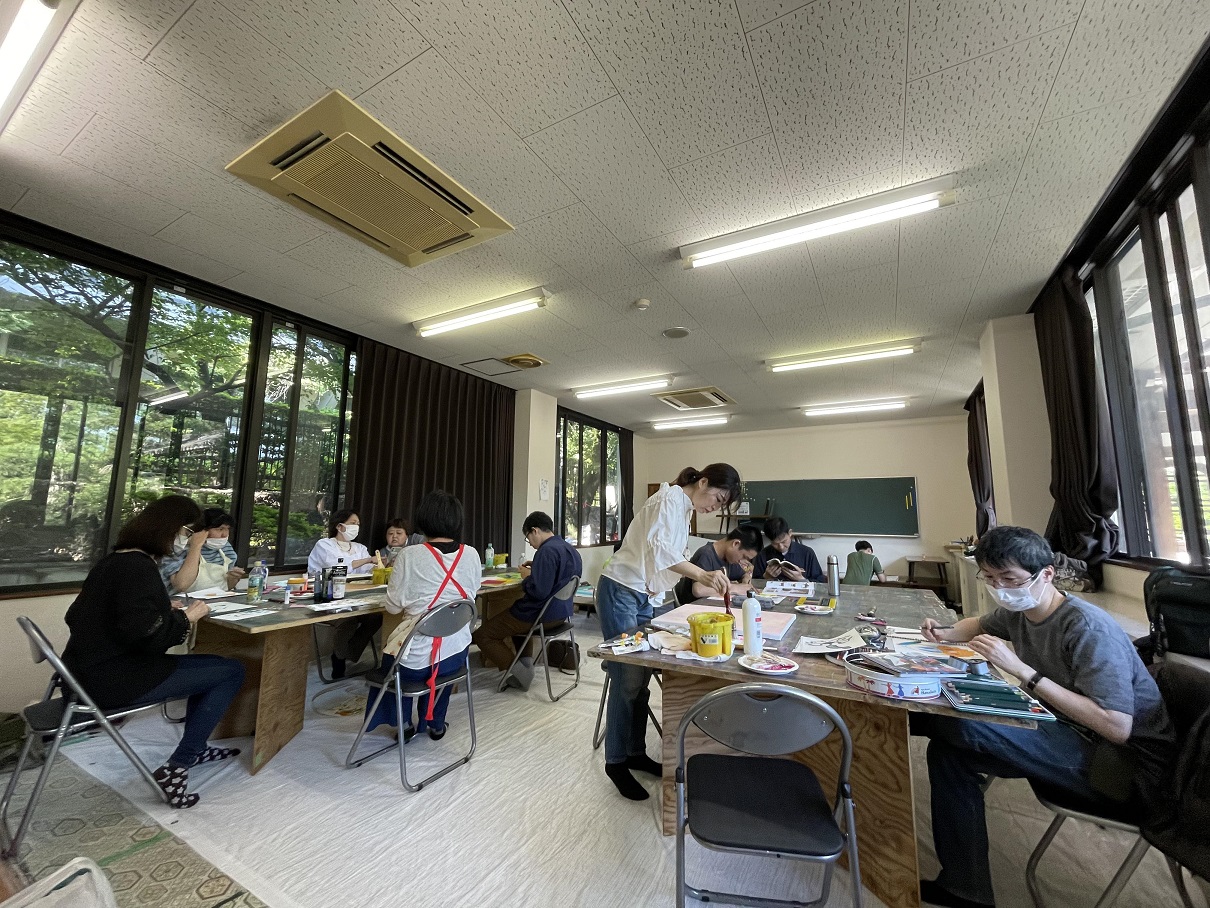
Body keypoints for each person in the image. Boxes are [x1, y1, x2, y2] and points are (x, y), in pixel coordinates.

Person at [911, 526, 1175, 908]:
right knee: (947, 753)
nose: (1001, 588)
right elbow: (983, 625)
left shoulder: (1086, 627)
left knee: (959, 720)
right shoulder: (1022, 609)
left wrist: (1023, 672)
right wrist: (947, 633)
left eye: (1010, 579)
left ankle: (897, 724)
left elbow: (1117, 726)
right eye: (991, 578)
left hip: (1123, 767)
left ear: (1046, 574)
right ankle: (965, 889)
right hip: (1072, 732)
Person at [61, 495, 245, 809]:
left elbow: (84, 616)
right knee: (231, 671)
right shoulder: (138, 567)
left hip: (81, 674)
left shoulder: (116, 560)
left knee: (216, 665)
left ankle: (195, 747)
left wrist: (163, 608)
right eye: (187, 532)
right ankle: (180, 764)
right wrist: (185, 616)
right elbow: (148, 637)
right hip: (112, 678)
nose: (186, 539)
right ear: (170, 529)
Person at [597, 464, 741, 801]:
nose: (714, 507)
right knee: (626, 678)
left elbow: (665, 559)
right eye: (717, 498)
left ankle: (634, 752)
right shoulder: (668, 500)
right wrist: (702, 575)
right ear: (703, 482)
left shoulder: (683, 509)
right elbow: (661, 551)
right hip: (621, 590)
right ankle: (615, 761)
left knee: (641, 677)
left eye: (721, 506)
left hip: (644, 595)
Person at [364, 490, 481, 740]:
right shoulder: (471, 554)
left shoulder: (410, 555)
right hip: (457, 653)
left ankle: (404, 724)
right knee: (442, 658)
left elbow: (393, 607)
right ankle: (436, 724)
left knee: (396, 662)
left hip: (416, 661)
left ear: (423, 520)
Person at [472, 510, 582, 690]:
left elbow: (539, 592)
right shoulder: (570, 549)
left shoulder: (546, 551)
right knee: (515, 622)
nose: (530, 544)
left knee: (483, 635)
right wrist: (536, 570)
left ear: (535, 530)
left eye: (528, 538)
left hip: (540, 615)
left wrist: (527, 577)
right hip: (561, 614)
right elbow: (556, 581)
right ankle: (527, 666)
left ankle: (521, 674)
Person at [309, 509, 380, 679]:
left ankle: (347, 653)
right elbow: (338, 567)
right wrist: (369, 559)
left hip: (356, 596)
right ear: (340, 526)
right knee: (348, 618)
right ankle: (340, 658)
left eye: (358, 524)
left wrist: (377, 565)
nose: (356, 527)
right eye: (353, 523)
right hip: (327, 596)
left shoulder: (360, 548)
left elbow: (366, 571)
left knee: (376, 617)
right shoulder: (324, 544)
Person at [160, 507, 246, 593]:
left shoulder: (226, 549)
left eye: (228, 529)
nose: (225, 535)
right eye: (220, 529)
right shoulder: (179, 548)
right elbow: (181, 585)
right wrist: (196, 545)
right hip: (184, 603)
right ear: (202, 530)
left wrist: (233, 578)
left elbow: (227, 587)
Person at [673, 525, 761, 604]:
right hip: (693, 609)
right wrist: (735, 588)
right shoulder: (706, 554)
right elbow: (698, 590)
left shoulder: (730, 558)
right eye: (744, 556)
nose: (742, 561)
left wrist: (745, 581)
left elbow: (744, 574)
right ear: (736, 544)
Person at [751, 516, 825, 582]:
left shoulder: (807, 553)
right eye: (775, 544)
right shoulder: (763, 554)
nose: (781, 547)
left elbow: (820, 581)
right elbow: (755, 582)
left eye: (784, 541)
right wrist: (766, 577)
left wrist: (801, 579)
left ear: (790, 533)